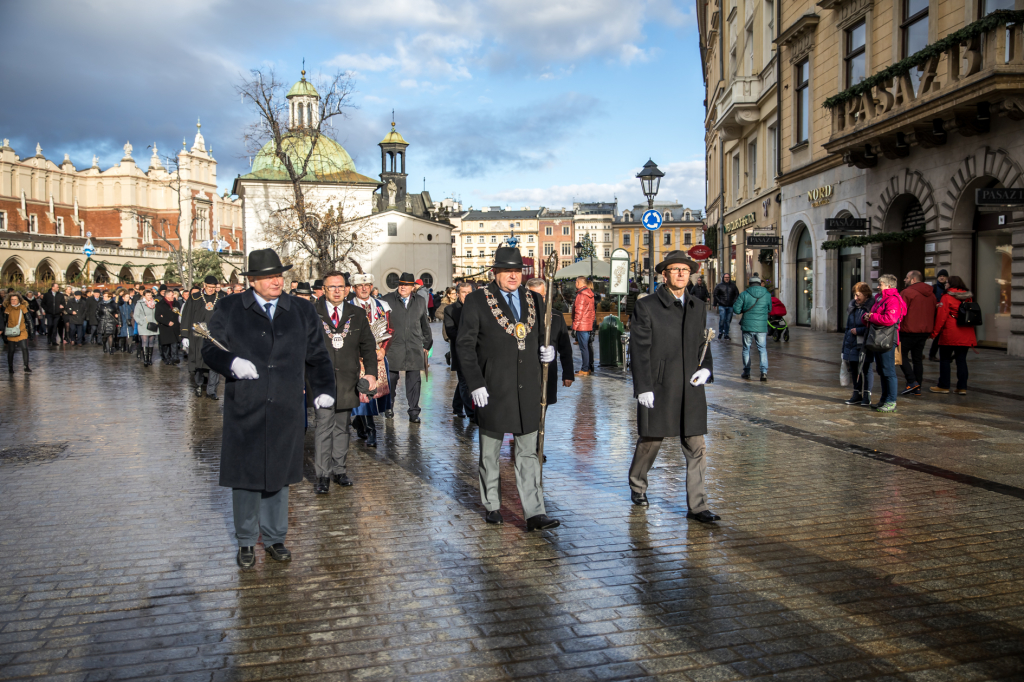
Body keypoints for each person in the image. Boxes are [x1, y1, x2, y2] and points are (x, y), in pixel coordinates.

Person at [202, 248, 335, 569]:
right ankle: (246, 541)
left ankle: (275, 538)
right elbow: (209, 348)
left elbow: (318, 355)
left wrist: (323, 390)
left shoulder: (301, 310)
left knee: (278, 475)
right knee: (245, 477)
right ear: (252, 281)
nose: (277, 281)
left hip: (286, 406)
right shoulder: (230, 307)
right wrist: (231, 362)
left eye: (280, 275)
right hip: (245, 405)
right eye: (269, 276)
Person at [457, 247, 559, 531]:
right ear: (495, 273)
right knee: (490, 450)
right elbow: (464, 346)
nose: (513, 275)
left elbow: (543, 334)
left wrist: (548, 351)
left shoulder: (535, 299)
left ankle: (535, 512)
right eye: (506, 271)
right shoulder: (477, 300)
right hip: (493, 386)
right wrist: (475, 382)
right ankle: (491, 504)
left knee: (528, 451)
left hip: (528, 385)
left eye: (517, 270)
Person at [628, 251, 718, 522]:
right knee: (651, 441)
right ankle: (638, 484)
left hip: (690, 388)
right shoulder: (647, 306)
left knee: (696, 446)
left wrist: (707, 369)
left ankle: (698, 506)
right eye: (675, 269)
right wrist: (643, 387)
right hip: (659, 385)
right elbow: (639, 349)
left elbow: (704, 343)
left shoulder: (698, 306)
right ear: (664, 274)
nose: (681, 274)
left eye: (685, 270)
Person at [312, 272, 378, 493]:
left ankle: (339, 470)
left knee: (342, 427)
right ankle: (322, 475)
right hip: (321, 380)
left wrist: (371, 374)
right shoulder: (312, 313)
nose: (337, 290)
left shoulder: (357, 314)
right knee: (323, 426)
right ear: (324, 289)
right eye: (332, 287)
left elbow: (368, 345)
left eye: (341, 286)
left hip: (347, 380)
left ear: (348, 289)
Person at [381, 273, 432, 423]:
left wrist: (427, 344)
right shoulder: (387, 300)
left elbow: (425, 324)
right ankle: (388, 407)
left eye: (407, 284)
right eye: (401, 284)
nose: (403, 287)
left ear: (412, 287)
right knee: (391, 379)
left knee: (414, 381)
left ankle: (414, 411)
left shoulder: (420, 301)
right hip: (393, 346)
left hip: (414, 346)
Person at [349, 273, 393, 446]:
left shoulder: (382, 306)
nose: (364, 288)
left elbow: (390, 329)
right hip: (355, 358)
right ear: (354, 288)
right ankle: (370, 429)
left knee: (375, 394)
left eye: (367, 284)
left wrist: (383, 350)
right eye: (360, 286)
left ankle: (360, 422)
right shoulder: (348, 307)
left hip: (377, 357)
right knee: (362, 393)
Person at [526, 278, 574, 412]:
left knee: (542, 411)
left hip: (547, 372)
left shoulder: (557, 316)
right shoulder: (520, 317)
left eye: (541, 296)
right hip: (525, 374)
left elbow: (565, 347)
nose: (537, 300)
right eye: (532, 296)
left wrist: (568, 373)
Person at [863, 273, 907, 412]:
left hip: (887, 339)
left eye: (880, 284)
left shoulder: (893, 299)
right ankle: (884, 399)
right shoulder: (880, 298)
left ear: (888, 285)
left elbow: (890, 319)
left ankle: (891, 400)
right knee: (882, 371)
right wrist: (868, 317)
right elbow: (875, 315)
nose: (878, 286)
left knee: (889, 371)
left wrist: (873, 316)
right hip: (878, 338)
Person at [929, 275, 976, 395]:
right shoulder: (968, 298)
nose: (945, 285)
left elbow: (941, 317)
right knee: (961, 360)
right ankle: (962, 387)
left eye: (947, 283)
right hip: (966, 333)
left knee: (945, 360)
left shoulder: (946, 297)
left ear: (951, 284)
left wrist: (934, 333)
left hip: (950, 333)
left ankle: (944, 386)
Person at [181, 275, 226, 399]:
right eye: (209, 287)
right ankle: (199, 385)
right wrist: (185, 335)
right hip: (198, 335)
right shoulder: (195, 298)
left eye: (213, 287)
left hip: (215, 335)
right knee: (199, 362)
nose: (211, 290)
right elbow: (186, 316)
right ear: (204, 285)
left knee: (214, 362)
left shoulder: (221, 298)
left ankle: (211, 390)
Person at [899, 270, 935, 396]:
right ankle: (917, 386)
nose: (905, 280)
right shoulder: (931, 294)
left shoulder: (907, 292)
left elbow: (900, 312)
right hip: (924, 331)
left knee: (899, 355)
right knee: (917, 359)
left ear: (913, 279)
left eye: (907, 278)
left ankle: (912, 381)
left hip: (908, 330)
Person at [443, 282, 475, 422]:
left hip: (476, 350)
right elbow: (451, 331)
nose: (467, 295)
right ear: (458, 293)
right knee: (464, 381)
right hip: (460, 350)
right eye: (464, 292)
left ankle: (457, 406)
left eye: (469, 292)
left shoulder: (477, 307)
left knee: (464, 381)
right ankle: (471, 413)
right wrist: (470, 338)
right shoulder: (450, 309)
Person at [732, 274, 771, 381]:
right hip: (761, 326)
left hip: (747, 326)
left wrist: (744, 309)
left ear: (750, 284)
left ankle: (747, 371)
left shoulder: (744, 294)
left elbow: (736, 310)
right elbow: (770, 309)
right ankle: (763, 372)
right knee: (762, 349)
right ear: (759, 283)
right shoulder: (767, 294)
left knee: (746, 349)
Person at [842, 282, 874, 406]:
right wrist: (844, 346)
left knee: (866, 368)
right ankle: (856, 393)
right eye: (855, 295)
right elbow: (848, 328)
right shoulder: (853, 308)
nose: (856, 298)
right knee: (854, 368)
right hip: (852, 342)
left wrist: (859, 331)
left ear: (866, 295)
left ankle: (867, 394)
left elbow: (872, 327)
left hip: (865, 343)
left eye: (858, 295)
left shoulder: (870, 308)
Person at [572, 277, 596, 375]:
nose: (575, 283)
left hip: (582, 325)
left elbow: (579, 312)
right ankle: (588, 367)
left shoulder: (581, 295)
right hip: (587, 324)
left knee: (584, 347)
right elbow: (592, 312)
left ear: (579, 283)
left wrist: (574, 326)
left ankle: (585, 369)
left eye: (576, 282)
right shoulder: (589, 294)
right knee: (586, 346)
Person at [5, 293, 32, 373]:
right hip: (11, 332)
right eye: (12, 299)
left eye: (15, 299)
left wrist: (31, 332)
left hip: (22, 331)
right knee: (11, 350)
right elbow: (4, 321)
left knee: (24, 348)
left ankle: (26, 366)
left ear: (19, 300)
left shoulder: (23, 307)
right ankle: (10, 367)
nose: (13, 301)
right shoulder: (8, 308)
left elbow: (29, 320)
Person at [155, 289, 181, 365]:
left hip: (174, 326)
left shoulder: (176, 303)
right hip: (165, 327)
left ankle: (175, 358)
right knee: (166, 344)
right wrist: (166, 322)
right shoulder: (160, 304)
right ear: (167, 296)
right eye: (172, 295)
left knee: (174, 343)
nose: (173, 296)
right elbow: (157, 316)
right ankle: (166, 358)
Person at [134, 290, 159, 367]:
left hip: (153, 325)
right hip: (144, 325)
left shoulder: (155, 303)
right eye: (148, 295)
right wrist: (141, 322)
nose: (150, 296)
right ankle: (145, 360)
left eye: (150, 295)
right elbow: (136, 315)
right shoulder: (139, 304)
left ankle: (149, 359)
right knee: (145, 341)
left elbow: (157, 313)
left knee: (151, 342)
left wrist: (157, 322)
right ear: (144, 296)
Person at [712, 273, 739, 340]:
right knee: (722, 319)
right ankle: (721, 332)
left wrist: (734, 301)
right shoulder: (719, 286)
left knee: (728, 321)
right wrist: (717, 303)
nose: (727, 278)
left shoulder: (733, 286)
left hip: (730, 305)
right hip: (722, 306)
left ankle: (726, 334)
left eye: (728, 277)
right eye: (725, 277)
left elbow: (737, 294)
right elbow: (715, 294)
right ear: (723, 278)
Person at [928, 269, 949, 361]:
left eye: (944, 276)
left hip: (945, 314)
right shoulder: (934, 288)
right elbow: (929, 300)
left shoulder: (948, 288)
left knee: (942, 335)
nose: (941, 277)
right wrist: (935, 305)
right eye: (940, 276)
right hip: (935, 315)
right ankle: (932, 355)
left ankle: (934, 355)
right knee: (936, 335)